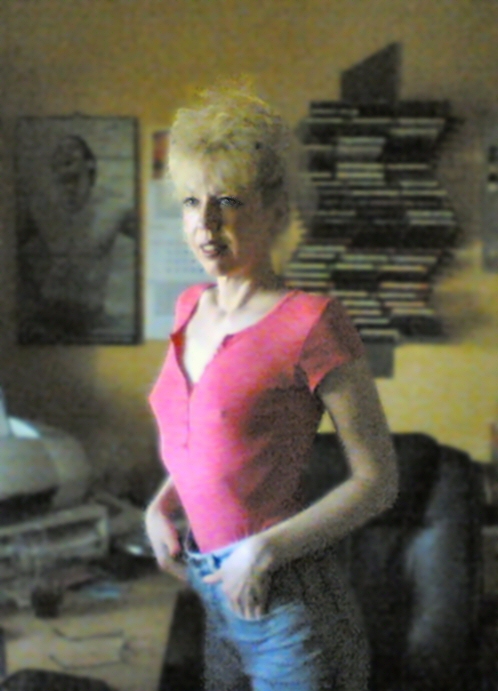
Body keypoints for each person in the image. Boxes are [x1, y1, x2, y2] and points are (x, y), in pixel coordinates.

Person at [145, 87, 398, 691]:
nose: (205, 223)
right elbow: (203, 440)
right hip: (214, 591)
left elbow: (379, 481)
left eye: (227, 201)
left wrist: (262, 551)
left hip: (289, 602)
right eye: (191, 201)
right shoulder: (189, 307)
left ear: (276, 211)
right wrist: (162, 504)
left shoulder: (311, 322)